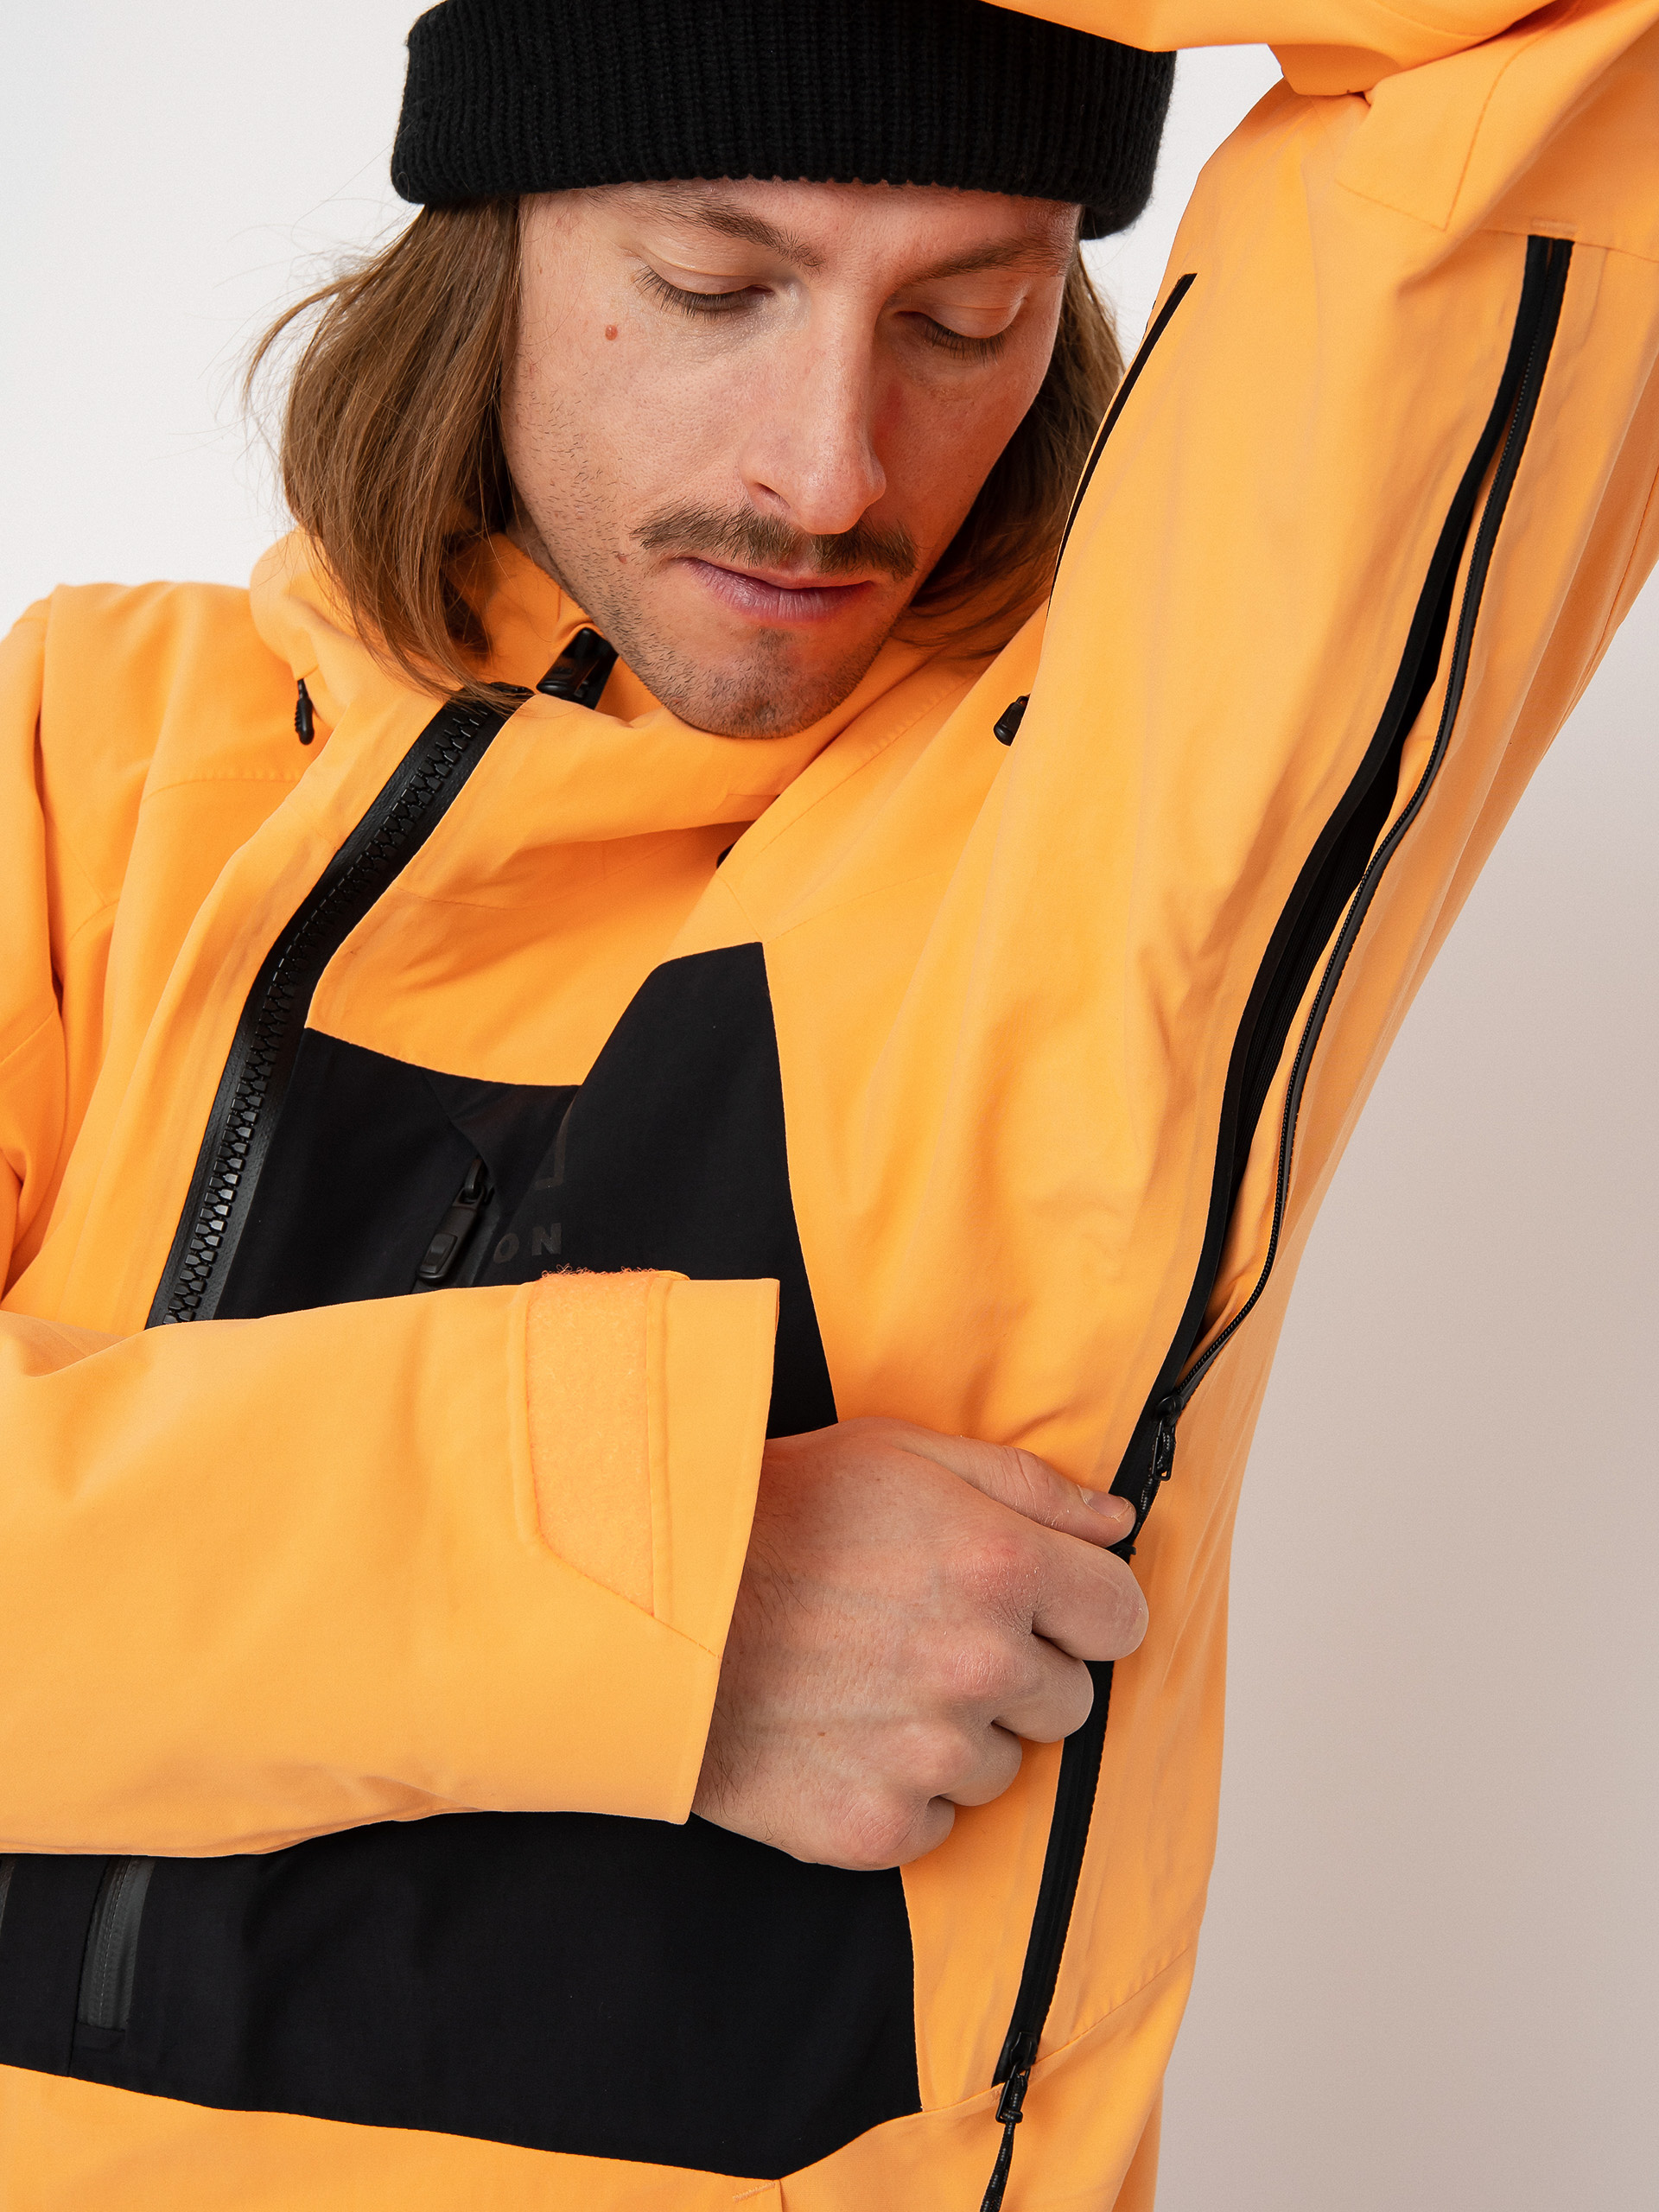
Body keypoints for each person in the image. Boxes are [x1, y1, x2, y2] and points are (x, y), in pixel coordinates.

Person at [0, 0, 1654, 2205]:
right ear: (490, 233)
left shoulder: (1110, 813)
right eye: (717, 285)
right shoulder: (91, 748)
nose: (832, 472)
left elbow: (1565, 48)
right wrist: (664, 1578)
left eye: (967, 319)